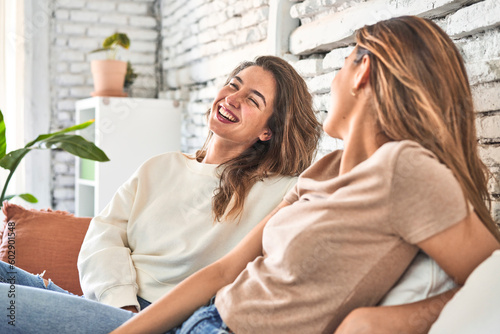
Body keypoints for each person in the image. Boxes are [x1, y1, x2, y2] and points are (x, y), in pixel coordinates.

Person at [0, 16, 499, 334]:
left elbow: (490, 278)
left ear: (363, 72)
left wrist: (381, 322)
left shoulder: (406, 170)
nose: (336, 78)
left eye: (344, 64)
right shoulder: (324, 170)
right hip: (202, 319)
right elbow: (223, 272)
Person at [0, 55, 320, 312]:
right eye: (233, 85)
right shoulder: (160, 167)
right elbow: (104, 236)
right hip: (114, 308)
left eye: (252, 99)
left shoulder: (281, 191)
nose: (232, 99)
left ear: (268, 131)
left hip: (162, 318)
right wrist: (122, 303)